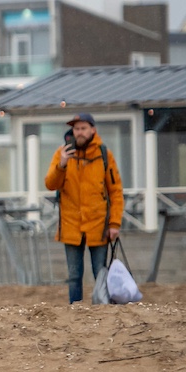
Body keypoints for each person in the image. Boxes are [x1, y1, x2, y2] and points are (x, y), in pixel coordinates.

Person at [46, 111, 123, 305]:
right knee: (74, 275)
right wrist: (61, 164)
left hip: (98, 224)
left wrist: (114, 223)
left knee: (100, 271)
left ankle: (102, 308)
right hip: (71, 224)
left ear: (93, 130)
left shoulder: (104, 154)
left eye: (83, 128)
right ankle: (75, 309)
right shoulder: (62, 153)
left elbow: (115, 191)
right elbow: (50, 184)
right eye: (76, 128)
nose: (79, 132)